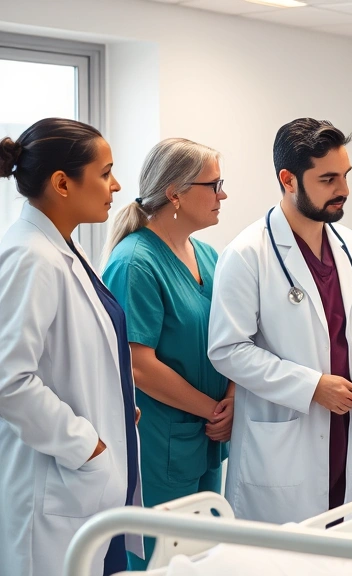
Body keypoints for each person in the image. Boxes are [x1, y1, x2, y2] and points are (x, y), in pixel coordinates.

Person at [207, 118, 352, 524]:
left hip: (349, 438)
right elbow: (227, 350)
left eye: (345, 175)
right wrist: (312, 387)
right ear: (288, 179)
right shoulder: (247, 254)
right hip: (285, 444)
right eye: (328, 178)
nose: (343, 189)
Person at [0, 118, 141, 576]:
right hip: (57, 483)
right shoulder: (30, 257)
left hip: (84, 487)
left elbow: (72, 358)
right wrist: (88, 446)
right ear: (62, 182)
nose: (116, 185)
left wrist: (111, 402)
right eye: (105, 173)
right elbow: (9, 380)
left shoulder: (62, 249)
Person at [102, 138, 231, 568]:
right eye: (214, 185)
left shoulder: (209, 257)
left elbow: (232, 339)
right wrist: (213, 410)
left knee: (200, 559)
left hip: (207, 438)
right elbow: (139, 365)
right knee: (158, 561)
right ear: (175, 192)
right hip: (161, 443)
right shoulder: (136, 262)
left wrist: (231, 398)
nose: (223, 195)